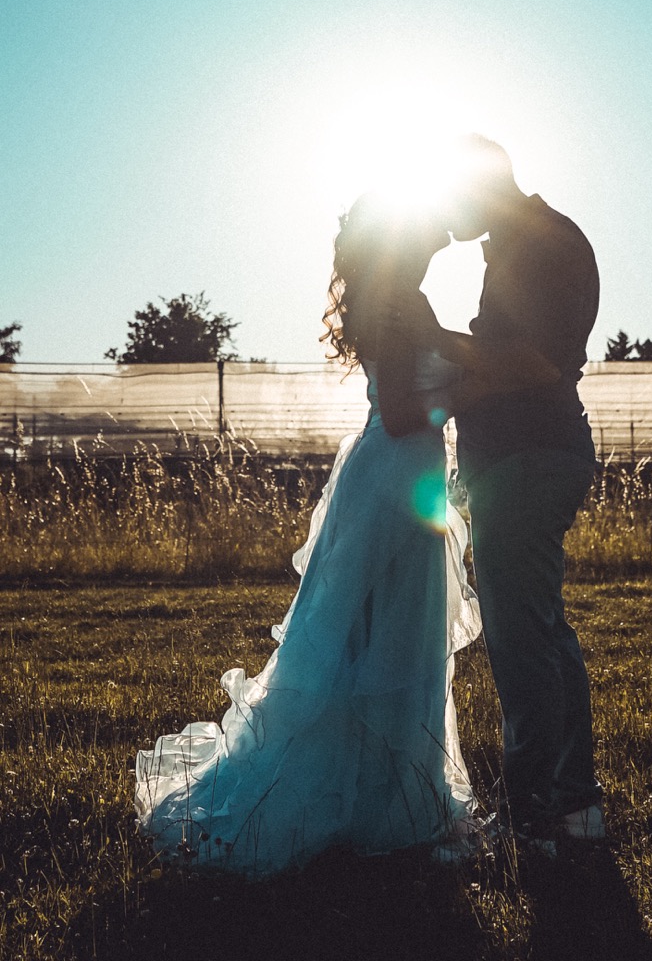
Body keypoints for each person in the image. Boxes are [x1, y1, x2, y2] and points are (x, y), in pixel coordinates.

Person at [134, 190, 556, 875]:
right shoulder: (400, 302)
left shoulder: (396, 297)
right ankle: (371, 806)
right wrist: (481, 389)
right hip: (395, 479)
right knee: (384, 644)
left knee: (381, 642)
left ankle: (380, 801)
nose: (437, 224)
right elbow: (402, 414)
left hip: (396, 476)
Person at [393, 136, 604, 847]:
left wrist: (438, 341)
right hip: (519, 458)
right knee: (539, 629)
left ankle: (540, 810)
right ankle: (571, 804)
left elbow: (536, 362)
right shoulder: (522, 243)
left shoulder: (542, 245)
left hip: (530, 458)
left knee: (521, 639)